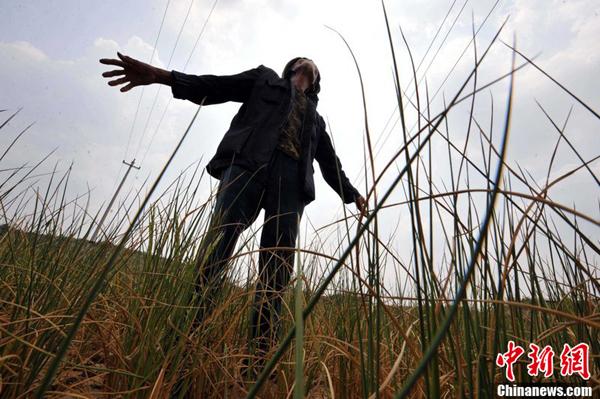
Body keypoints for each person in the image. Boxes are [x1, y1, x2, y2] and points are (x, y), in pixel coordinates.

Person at [99, 53, 366, 368]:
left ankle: (255, 365)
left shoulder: (315, 119)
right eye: (302, 60)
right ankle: (182, 349)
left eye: (313, 64)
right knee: (215, 251)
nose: (308, 63)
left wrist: (354, 195)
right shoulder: (264, 79)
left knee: (277, 271)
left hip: (291, 184)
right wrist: (161, 76)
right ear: (293, 67)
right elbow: (217, 86)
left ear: (316, 81)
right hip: (247, 165)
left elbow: (330, 163)